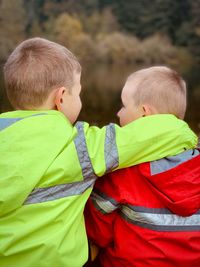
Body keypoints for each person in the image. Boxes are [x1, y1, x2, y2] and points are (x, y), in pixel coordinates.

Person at [0, 38, 197, 267]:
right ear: (61, 98)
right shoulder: (78, 146)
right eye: (79, 93)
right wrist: (184, 132)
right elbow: (141, 137)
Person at [85, 66, 200, 267]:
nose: (118, 112)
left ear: (145, 114)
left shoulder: (123, 172)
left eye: (123, 105)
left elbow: (96, 230)